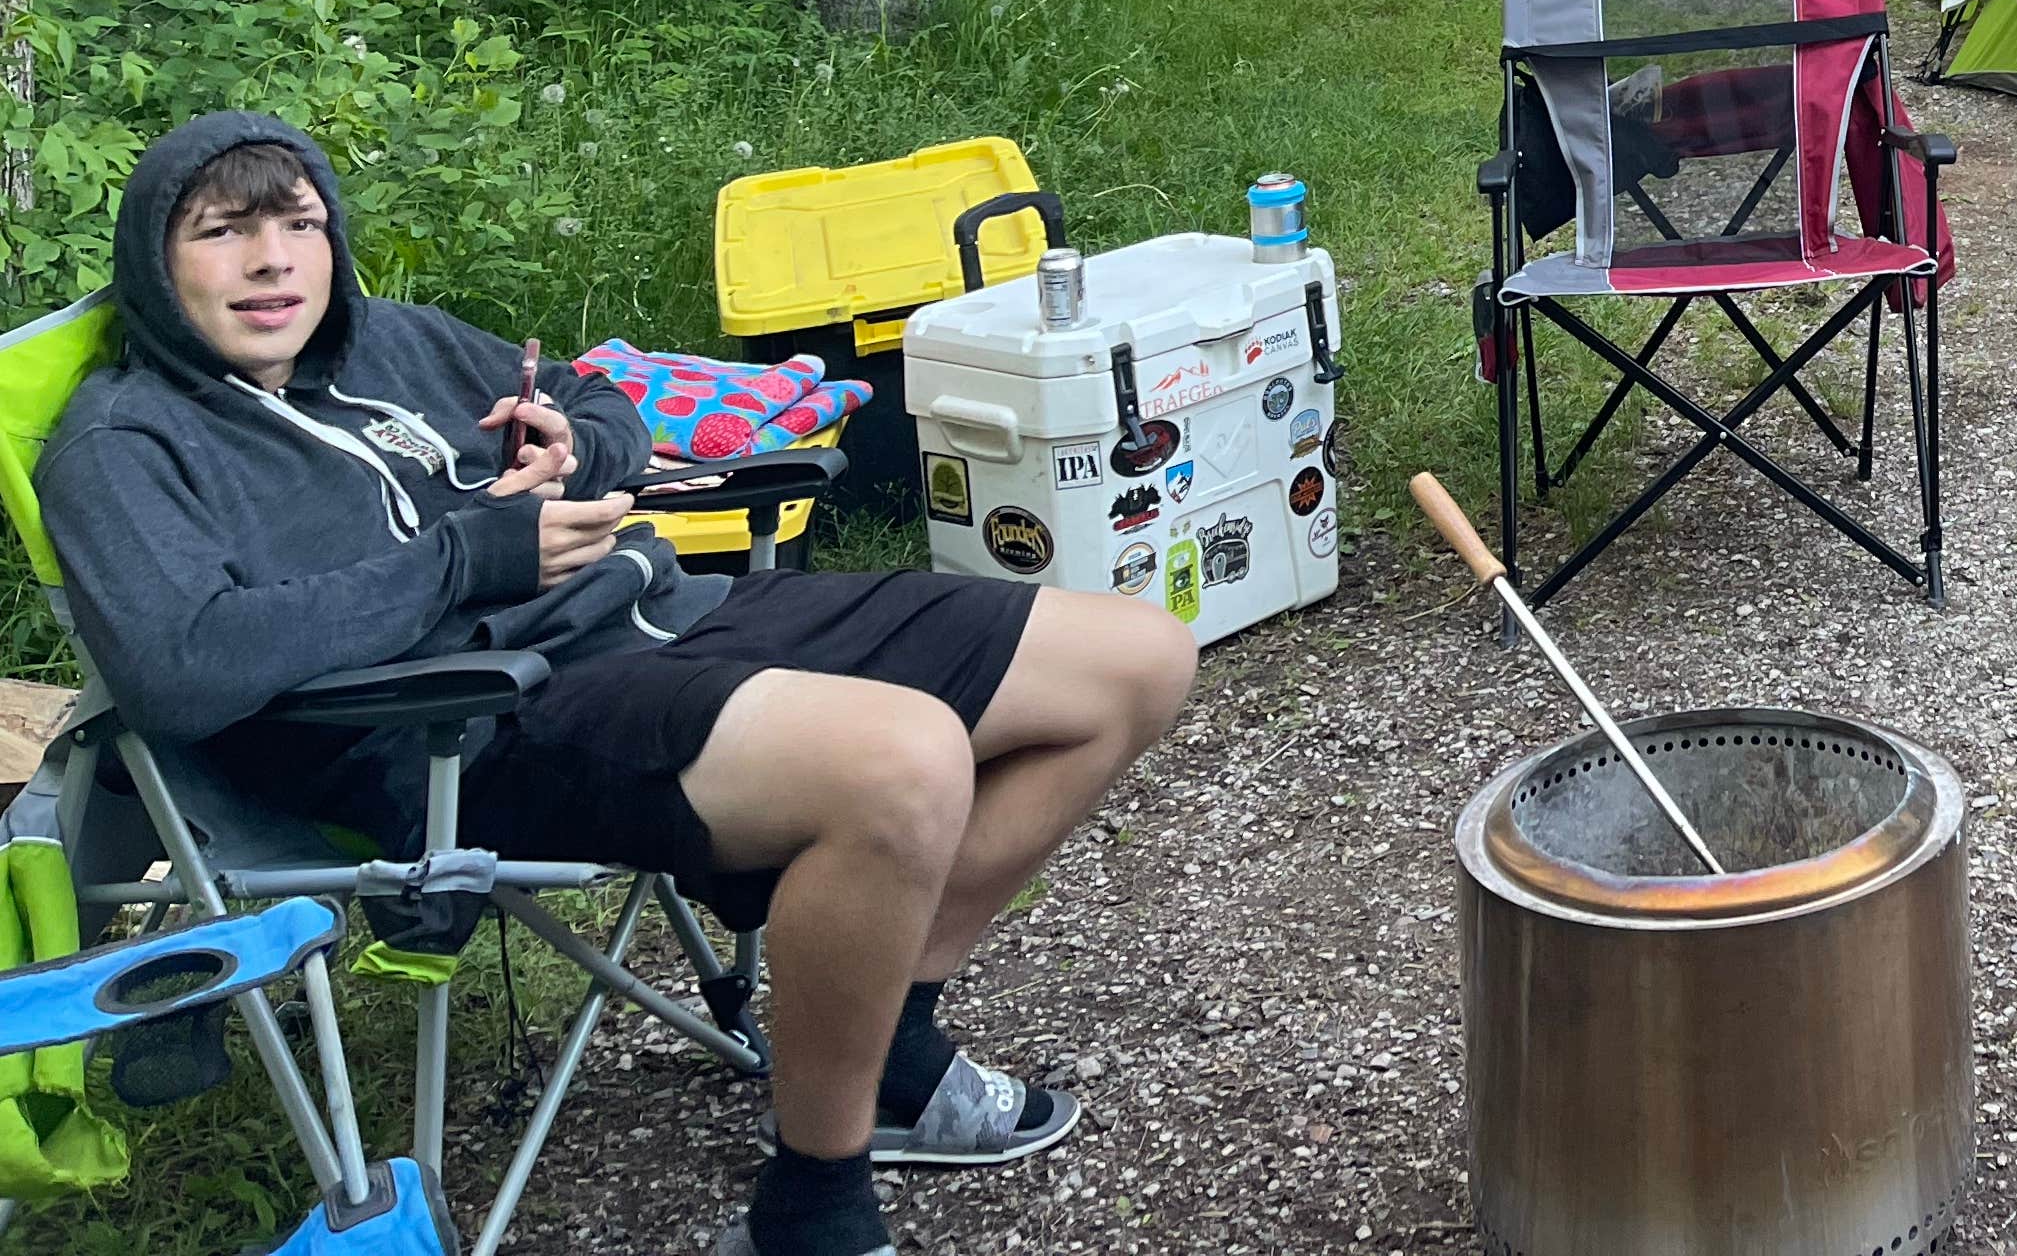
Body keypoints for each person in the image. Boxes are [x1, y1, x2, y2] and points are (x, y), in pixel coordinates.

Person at [38, 112, 1199, 1256]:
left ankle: (886, 1031)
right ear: (155, 261)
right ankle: (814, 1204)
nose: (271, 260)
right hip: (472, 720)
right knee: (904, 761)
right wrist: (467, 558)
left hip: (663, 617)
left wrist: (575, 447)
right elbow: (183, 666)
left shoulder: (393, 341)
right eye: (221, 233)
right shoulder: (125, 444)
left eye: (297, 223)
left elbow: (605, 399)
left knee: (1136, 660)